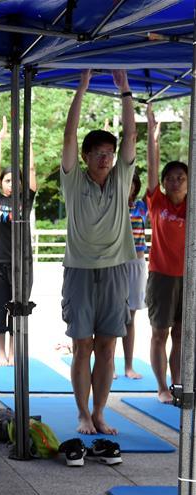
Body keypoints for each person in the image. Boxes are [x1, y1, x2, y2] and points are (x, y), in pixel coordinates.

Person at [60, 69, 137, 435]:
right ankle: (82, 413)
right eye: (99, 153)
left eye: (110, 153)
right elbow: (68, 136)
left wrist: (124, 91)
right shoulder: (74, 179)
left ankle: (101, 411)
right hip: (79, 268)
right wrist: (82, 88)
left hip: (117, 267)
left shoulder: (122, 178)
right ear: (87, 156)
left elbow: (132, 135)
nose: (105, 158)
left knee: (108, 347)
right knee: (82, 345)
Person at [0, 115, 38, 366]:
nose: (10, 183)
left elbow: (31, 169)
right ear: (1, 183)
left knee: (18, 308)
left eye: (15, 179)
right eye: (6, 179)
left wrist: (26, 140)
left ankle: (15, 353)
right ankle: (1, 354)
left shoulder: (25, 199)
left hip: (20, 262)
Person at [145, 103, 188, 404]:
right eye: (170, 177)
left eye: (181, 178)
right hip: (161, 277)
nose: (175, 181)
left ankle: (177, 385)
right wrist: (152, 133)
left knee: (182, 335)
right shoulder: (156, 202)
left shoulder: (192, 205)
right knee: (160, 333)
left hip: (188, 277)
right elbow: (150, 165)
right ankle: (160, 386)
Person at [122, 171, 146, 379]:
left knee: (130, 317)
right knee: (111, 317)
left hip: (136, 263)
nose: (127, 187)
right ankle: (108, 364)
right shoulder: (112, 205)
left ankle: (128, 366)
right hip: (116, 263)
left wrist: (153, 142)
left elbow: (154, 186)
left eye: (131, 183)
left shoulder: (141, 206)